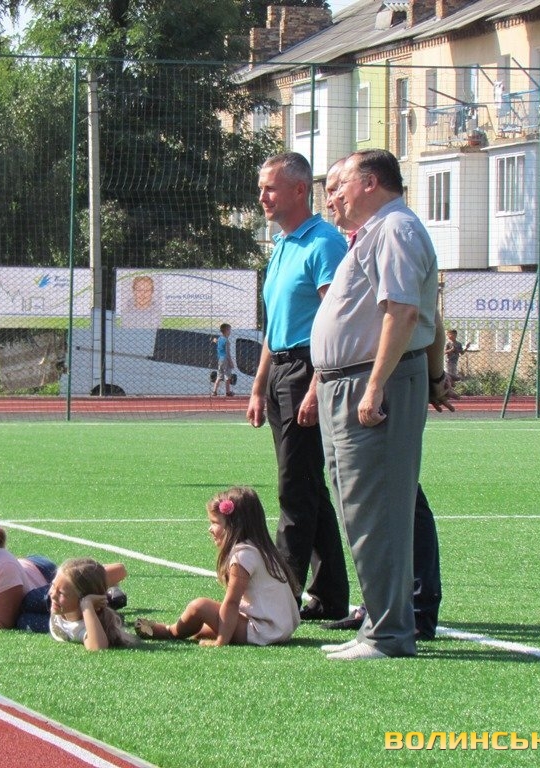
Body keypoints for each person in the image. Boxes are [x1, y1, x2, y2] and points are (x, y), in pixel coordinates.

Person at [310, 149, 448, 660]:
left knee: (377, 512)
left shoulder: (395, 229)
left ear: (369, 183)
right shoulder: (377, 232)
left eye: (339, 186)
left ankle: (389, 634)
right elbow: (426, 311)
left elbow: (405, 313)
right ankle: (380, 626)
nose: (332, 198)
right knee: (360, 508)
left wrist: (373, 386)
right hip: (347, 383)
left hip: (369, 384)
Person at [246, 151, 350, 622]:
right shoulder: (283, 245)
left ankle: (280, 597)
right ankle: (328, 595)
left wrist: (315, 386)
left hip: (309, 368)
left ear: (299, 190)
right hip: (281, 371)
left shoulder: (324, 243)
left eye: (270, 188)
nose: (262, 197)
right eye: (261, 188)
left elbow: (336, 321)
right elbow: (274, 326)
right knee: (308, 485)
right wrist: (258, 385)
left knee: (295, 488)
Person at [134, 487, 300, 646]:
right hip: (278, 628)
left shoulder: (243, 556)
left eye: (214, 522)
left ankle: (170, 631)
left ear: (234, 525)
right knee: (201, 630)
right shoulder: (260, 549)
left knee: (199, 607)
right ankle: (175, 629)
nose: (210, 529)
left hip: (264, 631)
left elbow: (232, 602)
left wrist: (221, 641)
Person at [0, 504, 128, 632]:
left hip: (41, 574)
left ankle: (114, 577)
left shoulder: (2, 566)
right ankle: (105, 596)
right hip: (25, 574)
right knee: (30, 616)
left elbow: (4, 622)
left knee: (69, 586)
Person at [49, 557, 136, 650]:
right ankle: (112, 593)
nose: (53, 595)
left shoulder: (80, 627)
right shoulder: (56, 598)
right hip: (46, 602)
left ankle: (112, 594)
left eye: (61, 593)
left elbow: (97, 646)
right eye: (53, 586)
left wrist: (87, 604)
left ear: (82, 599)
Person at [211, 323, 235, 397]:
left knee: (219, 375)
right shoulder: (226, 341)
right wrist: (231, 362)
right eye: (229, 330)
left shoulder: (220, 339)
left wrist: (214, 340)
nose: (230, 332)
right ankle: (228, 392)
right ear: (226, 330)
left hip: (220, 359)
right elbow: (227, 353)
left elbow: (217, 342)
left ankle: (214, 391)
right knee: (227, 375)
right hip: (225, 359)